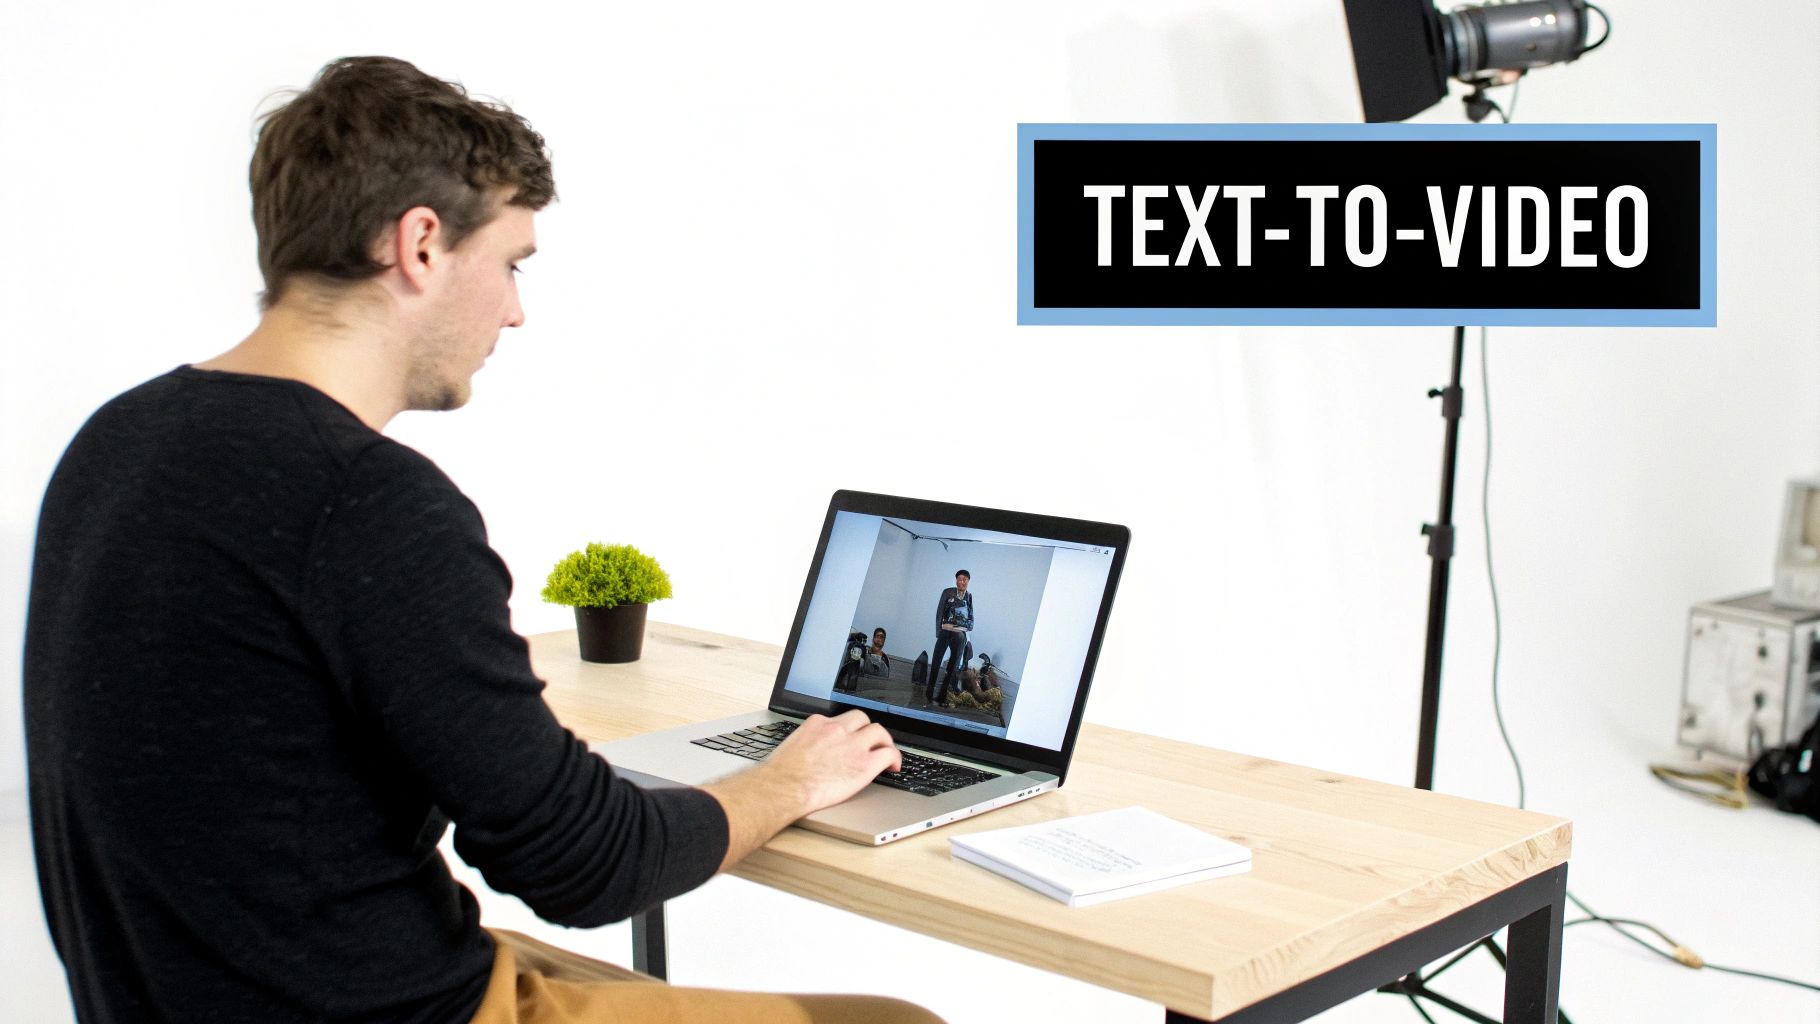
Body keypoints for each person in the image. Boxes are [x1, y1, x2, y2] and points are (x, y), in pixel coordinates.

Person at [22, 56, 936, 1024]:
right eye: (509, 262)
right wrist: (786, 779)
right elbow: (587, 865)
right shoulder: (361, 499)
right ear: (420, 244)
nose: (513, 309)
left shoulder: (120, 439)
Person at [926, 570, 974, 704]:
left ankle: (943, 694)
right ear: (956, 581)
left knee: (953, 666)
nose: (962, 582)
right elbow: (939, 612)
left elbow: (971, 618)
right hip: (945, 631)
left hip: (959, 635)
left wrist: (966, 628)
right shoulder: (947, 592)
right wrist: (938, 632)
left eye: (965, 579)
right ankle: (929, 690)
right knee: (936, 660)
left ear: (968, 582)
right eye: (960, 579)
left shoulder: (969, 596)